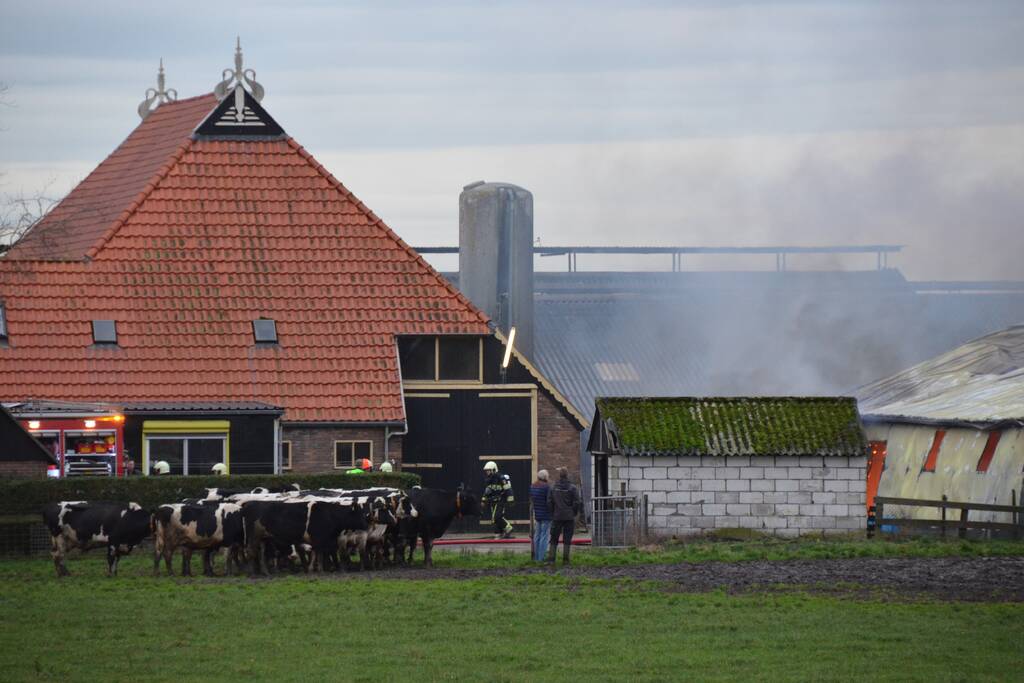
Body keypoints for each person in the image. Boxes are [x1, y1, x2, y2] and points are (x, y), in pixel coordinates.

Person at [546, 467, 581, 565]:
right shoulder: (572, 488)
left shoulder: (553, 487)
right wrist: (573, 512)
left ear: (559, 475)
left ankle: (551, 559)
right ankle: (565, 560)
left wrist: (553, 512)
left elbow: (549, 502)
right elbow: (577, 502)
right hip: (569, 516)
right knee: (567, 538)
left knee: (554, 538)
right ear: (567, 475)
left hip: (557, 516)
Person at [482, 460, 514, 539]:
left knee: (497, 516)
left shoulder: (501, 478)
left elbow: (508, 488)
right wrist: (483, 500)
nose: (487, 472)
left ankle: (508, 528)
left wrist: (510, 499)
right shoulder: (488, 479)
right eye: (486, 471)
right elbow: (487, 491)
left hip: (500, 500)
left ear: (493, 469)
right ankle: (499, 532)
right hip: (492, 501)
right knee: (494, 518)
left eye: (488, 470)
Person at [529, 469, 552, 562]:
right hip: (546, 515)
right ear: (545, 477)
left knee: (537, 536)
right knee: (544, 536)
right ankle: (541, 558)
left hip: (537, 514)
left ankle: (536, 557)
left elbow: (532, 500)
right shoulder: (546, 487)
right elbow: (549, 501)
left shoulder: (533, 486)